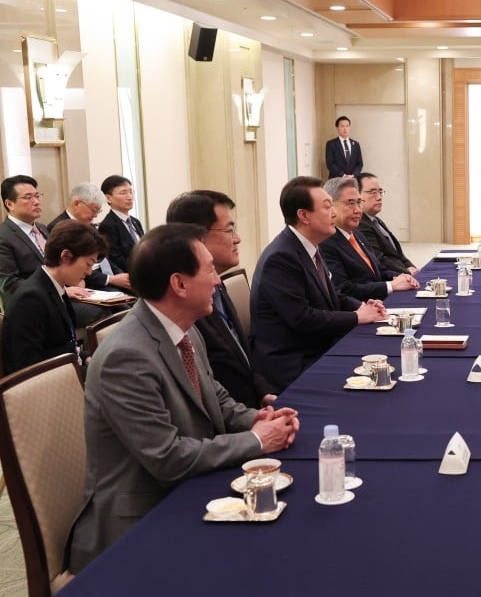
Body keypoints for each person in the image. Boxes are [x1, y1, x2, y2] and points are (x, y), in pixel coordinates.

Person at [66, 223, 300, 573]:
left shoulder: (183, 330)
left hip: (188, 488)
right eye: (208, 270)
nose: (218, 280)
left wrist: (254, 419)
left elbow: (215, 399)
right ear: (179, 283)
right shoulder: (126, 357)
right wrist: (256, 441)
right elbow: (167, 457)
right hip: (140, 522)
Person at [249, 176, 387, 392]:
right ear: (304, 215)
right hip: (294, 361)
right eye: (327, 207)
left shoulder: (309, 246)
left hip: (318, 346)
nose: (334, 213)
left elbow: (332, 295)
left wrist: (360, 306)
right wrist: (357, 317)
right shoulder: (281, 258)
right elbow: (302, 317)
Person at [166, 190, 275, 409]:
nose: (238, 238)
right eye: (229, 230)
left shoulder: (217, 285)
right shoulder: (181, 302)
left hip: (243, 410)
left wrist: (262, 394)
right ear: (197, 238)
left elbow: (242, 358)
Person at [0, 175, 108, 325]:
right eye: (28, 197)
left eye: (37, 196)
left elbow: (59, 264)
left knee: (116, 307)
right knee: (100, 314)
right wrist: (58, 289)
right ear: (10, 204)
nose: (36, 201)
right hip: (32, 304)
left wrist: (77, 280)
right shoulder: (3, 236)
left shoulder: (42, 229)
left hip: (60, 296)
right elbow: (8, 284)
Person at [1, 222, 106, 373]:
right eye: (88, 264)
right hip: (42, 387)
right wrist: (87, 372)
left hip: (61, 372)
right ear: (66, 257)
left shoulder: (54, 286)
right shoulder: (30, 299)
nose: (89, 272)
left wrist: (84, 357)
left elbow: (59, 346)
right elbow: (29, 367)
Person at [320, 177, 419, 301]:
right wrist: (390, 286)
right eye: (350, 203)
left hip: (380, 302)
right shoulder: (325, 242)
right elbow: (344, 289)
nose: (357, 210)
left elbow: (379, 270)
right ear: (331, 206)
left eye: (359, 202)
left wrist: (401, 276)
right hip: (361, 311)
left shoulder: (357, 235)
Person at [48, 182, 132, 293]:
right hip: (87, 284)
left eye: (98, 211)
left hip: (105, 280)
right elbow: (71, 266)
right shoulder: (59, 227)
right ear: (77, 203)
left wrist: (120, 274)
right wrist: (110, 279)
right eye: (94, 210)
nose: (96, 215)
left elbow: (103, 259)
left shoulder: (89, 224)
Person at [357, 172, 418, 275]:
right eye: (373, 192)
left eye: (380, 192)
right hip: (392, 279)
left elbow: (398, 254)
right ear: (357, 195)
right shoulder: (360, 224)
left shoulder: (376, 220)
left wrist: (410, 266)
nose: (379, 197)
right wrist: (407, 272)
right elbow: (379, 259)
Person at [97, 175, 145, 273]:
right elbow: (116, 259)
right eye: (123, 193)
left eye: (131, 192)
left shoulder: (135, 222)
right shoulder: (108, 225)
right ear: (108, 198)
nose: (129, 197)